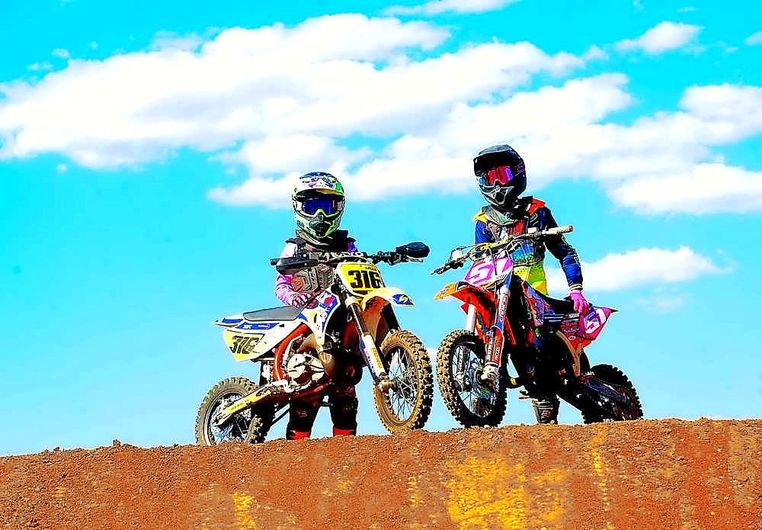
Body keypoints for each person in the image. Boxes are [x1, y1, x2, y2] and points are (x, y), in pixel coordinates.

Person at [472, 144, 590, 424]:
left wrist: (576, 289)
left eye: (502, 175)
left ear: (517, 174)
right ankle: (483, 391)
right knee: (485, 332)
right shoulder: (483, 221)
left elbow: (564, 250)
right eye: (490, 177)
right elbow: (479, 259)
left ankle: (555, 392)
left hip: (535, 298)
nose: (497, 184)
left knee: (539, 348)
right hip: (499, 294)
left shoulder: (537, 212)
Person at [274, 171, 360, 440]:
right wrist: (292, 296)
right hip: (306, 320)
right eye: (312, 207)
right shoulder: (294, 247)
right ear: (299, 208)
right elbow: (281, 282)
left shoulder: (347, 244)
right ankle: (298, 451)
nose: (320, 215)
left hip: (340, 317)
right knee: (305, 398)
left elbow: (359, 269)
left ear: (339, 207)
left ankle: (346, 450)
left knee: (345, 392)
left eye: (327, 206)